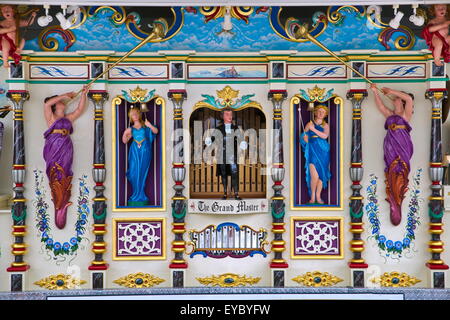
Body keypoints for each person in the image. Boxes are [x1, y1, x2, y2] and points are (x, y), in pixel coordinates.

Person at [43, 86, 88, 229]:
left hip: (66, 145)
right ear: (56, 105)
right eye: (60, 101)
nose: (62, 102)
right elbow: (47, 104)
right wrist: (64, 95)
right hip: (53, 145)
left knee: (66, 169)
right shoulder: (51, 116)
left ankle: (61, 202)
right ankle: (58, 202)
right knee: (54, 170)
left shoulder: (68, 118)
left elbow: (79, 110)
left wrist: (84, 94)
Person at [370, 83, 414, 226]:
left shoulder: (406, 114)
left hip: (402, 145)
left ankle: (397, 200)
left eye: (396, 98)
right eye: (394, 97)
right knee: (391, 169)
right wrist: (375, 91)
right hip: (390, 145)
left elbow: (408, 98)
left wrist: (391, 91)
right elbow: (381, 107)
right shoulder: (391, 115)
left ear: (400, 101)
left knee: (401, 171)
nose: (393, 99)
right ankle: (395, 200)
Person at [206, 108, 247, 200]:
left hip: (233, 155)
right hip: (222, 155)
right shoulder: (218, 129)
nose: (230, 117)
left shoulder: (236, 128)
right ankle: (225, 193)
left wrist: (243, 143)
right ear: (222, 116)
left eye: (231, 115)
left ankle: (236, 193)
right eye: (227, 114)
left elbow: (240, 139)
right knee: (223, 174)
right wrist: (209, 140)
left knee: (234, 174)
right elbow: (212, 139)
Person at [122, 107, 158, 206]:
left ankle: (141, 196)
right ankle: (135, 195)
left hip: (145, 150)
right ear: (130, 117)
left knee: (142, 173)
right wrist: (126, 135)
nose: (135, 116)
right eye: (133, 114)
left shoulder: (145, 126)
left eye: (137, 113)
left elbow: (155, 131)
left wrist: (149, 125)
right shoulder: (130, 129)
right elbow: (124, 141)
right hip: (134, 152)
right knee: (134, 173)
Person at [300, 104, 331, 204]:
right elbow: (303, 136)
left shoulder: (325, 125)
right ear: (315, 112)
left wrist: (313, 129)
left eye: (323, 112)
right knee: (314, 176)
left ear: (325, 114)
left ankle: (318, 196)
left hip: (323, 150)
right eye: (319, 111)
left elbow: (325, 136)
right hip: (312, 149)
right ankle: (312, 195)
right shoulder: (309, 123)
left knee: (322, 174)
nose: (321, 113)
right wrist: (304, 138)